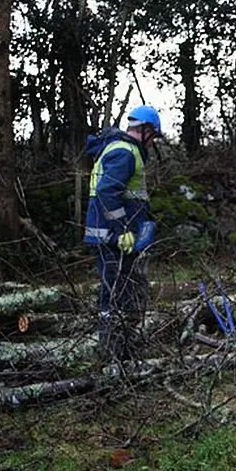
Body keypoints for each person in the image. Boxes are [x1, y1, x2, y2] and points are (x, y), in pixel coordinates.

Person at [83, 105, 162, 364]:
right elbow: (108, 193)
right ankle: (114, 352)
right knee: (117, 292)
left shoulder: (121, 149)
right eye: (153, 137)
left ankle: (121, 348)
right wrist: (123, 230)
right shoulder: (125, 153)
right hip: (114, 237)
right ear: (145, 130)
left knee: (119, 291)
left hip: (113, 236)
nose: (152, 144)